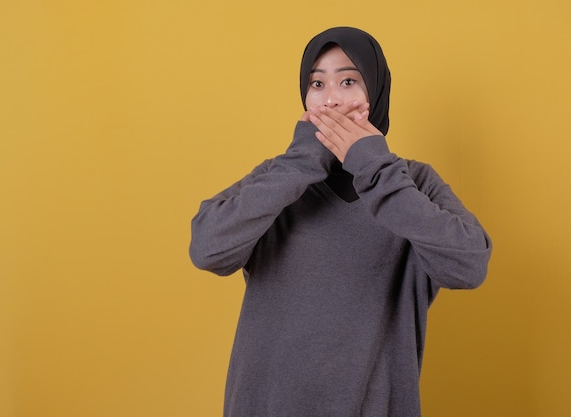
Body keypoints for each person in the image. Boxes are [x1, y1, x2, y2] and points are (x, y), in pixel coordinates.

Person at [189, 26, 492, 417]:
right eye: (317, 84)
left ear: (377, 92)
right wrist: (300, 162)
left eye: (348, 80)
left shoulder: (412, 183)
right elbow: (207, 249)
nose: (331, 100)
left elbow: (469, 265)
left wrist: (372, 166)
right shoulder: (279, 177)